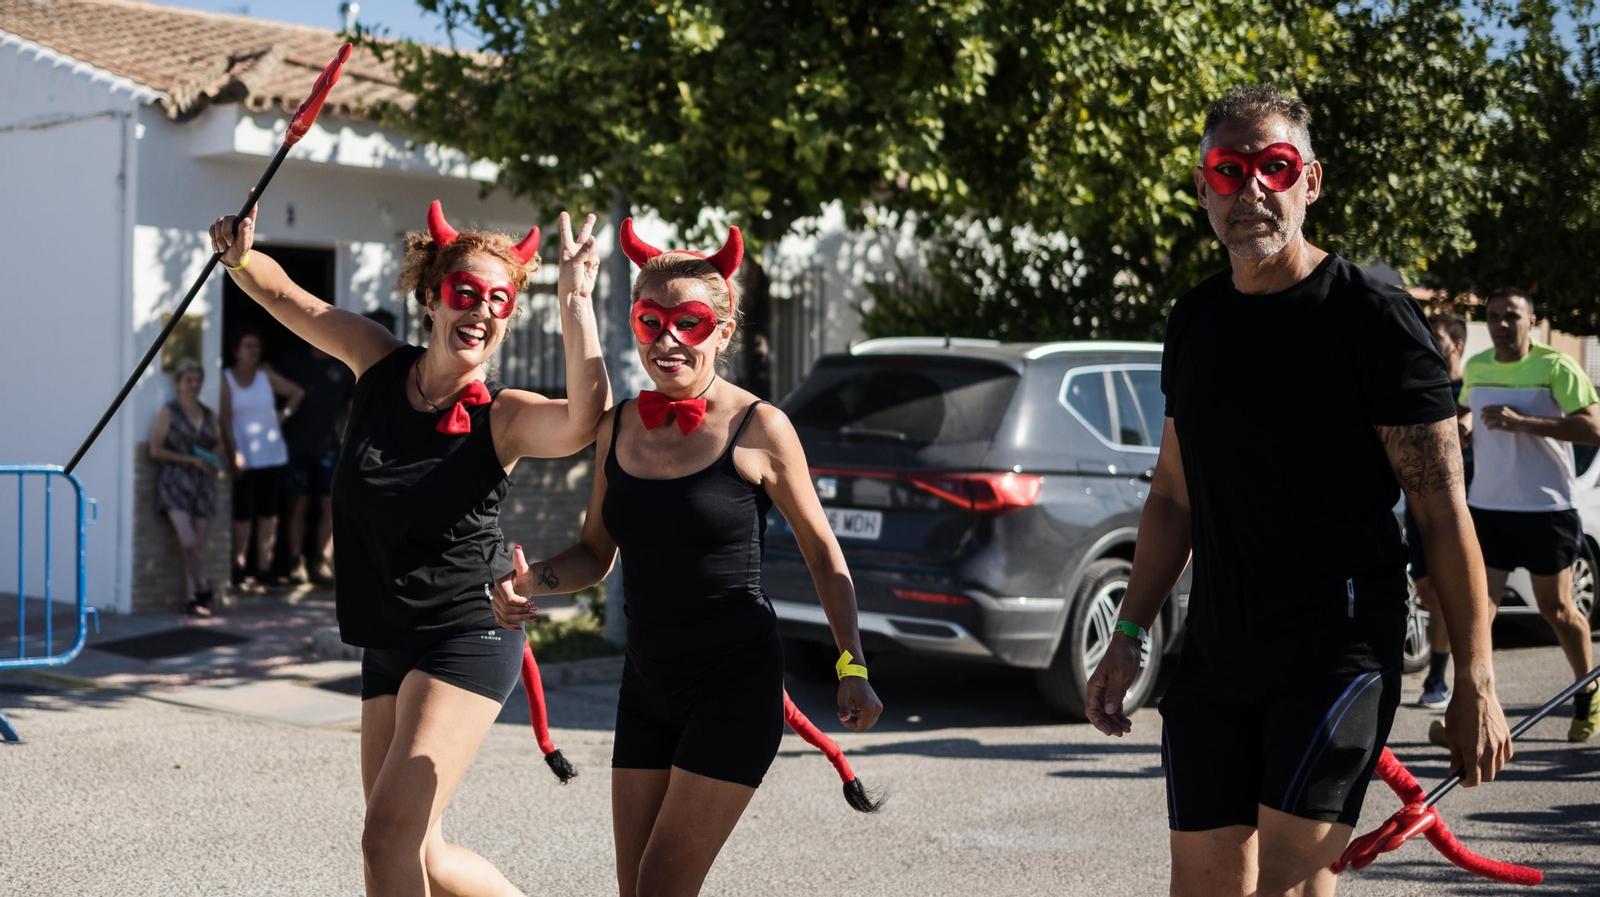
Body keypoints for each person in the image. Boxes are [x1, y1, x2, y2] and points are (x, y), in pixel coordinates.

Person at [1084, 86, 1511, 897]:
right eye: (1229, 168)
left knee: (1287, 883)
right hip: (1217, 645)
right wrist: (1129, 632)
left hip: (1338, 645)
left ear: (1309, 181)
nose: (1252, 189)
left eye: (1274, 167)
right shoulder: (1197, 319)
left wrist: (1476, 683)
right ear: (1203, 186)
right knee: (1202, 885)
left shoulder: (1373, 321)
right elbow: (1172, 497)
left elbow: (1441, 510)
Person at [209, 198, 609, 897]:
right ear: (430, 299)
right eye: (465, 293)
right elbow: (287, 297)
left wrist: (576, 301)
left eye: (499, 299)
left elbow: (583, 420)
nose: (481, 310)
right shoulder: (377, 363)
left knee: (383, 837)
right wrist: (239, 256)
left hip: (467, 631)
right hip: (387, 635)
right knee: (420, 850)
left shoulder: (504, 415)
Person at [491, 219, 884, 897]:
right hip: (645, 685)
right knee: (635, 889)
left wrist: (852, 663)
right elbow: (595, 551)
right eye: (651, 321)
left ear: (723, 333)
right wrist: (536, 581)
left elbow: (823, 552)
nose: (668, 338)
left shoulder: (759, 427)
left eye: (691, 322)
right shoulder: (616, 425)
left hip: (735, 686)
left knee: (663, 886)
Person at [1454, 287, 1600, 742]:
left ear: (1530, 323)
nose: (1501, 324)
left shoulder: (1556, 366)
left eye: (1511, 316)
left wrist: (1524, 423)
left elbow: (1594, 429)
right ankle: (1476, 706)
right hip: (1489, 505)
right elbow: (1465, 415)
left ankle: (1586, 691)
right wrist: (1461, 429)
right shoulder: (1476, 368)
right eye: (1494, 316)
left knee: (1556, 610)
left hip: (1545, 507)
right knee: (1482, 610)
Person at [1405, 312, 1472, 708]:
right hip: (1418, 502)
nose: (1431, 341)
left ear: (1457, 345)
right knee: (1428, 590)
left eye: (1440, 337)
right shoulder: (1418, 384)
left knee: (1451, 589)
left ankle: (1438, 677)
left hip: (1461, 503)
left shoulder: (1470, 388)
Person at [218, 325, 304, 592]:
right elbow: (224, 419)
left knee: (268, 514)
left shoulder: (266, 376)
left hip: (272, 454)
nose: (254, 351)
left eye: (257, 346)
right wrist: (233, 453)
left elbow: (297, 393)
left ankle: (265, 569)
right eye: (248, 346)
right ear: (236, 350)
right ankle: (240, 568)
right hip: (245, 456)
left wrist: (284, 415)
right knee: (243, 514)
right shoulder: (226, 379)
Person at [277, 343, 355, 585]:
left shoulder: (342, 368)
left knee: (329, 506)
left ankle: (323, 560)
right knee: (297, 505)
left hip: (332, 450)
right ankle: (295, 561)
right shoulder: (292, 362)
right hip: (296, 448)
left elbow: (353, 409)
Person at [149, 358, 221, 616]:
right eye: (188, 380)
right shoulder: (169, 411)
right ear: (177, 383)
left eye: (197, 379)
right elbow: (155, 449)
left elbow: (218, 442)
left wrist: (216, 458)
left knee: (196, 546)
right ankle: (203, 587)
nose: (193, 384)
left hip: (203, 484)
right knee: (188, 542)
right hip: (176, 482)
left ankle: (193, 599)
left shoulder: (209, 412)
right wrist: (191, 459)